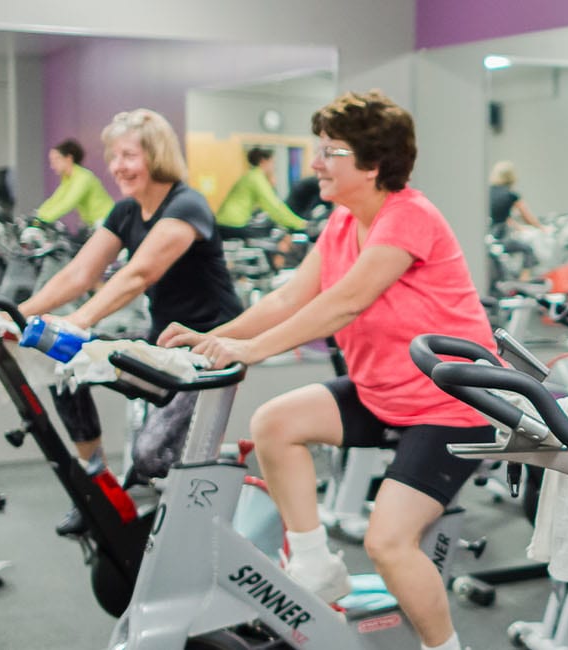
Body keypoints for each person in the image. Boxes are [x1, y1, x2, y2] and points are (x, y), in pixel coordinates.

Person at [160, 90, 493, 650]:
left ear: (374, 163)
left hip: (451, 403)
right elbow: (289, 298)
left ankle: (445, 648)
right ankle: (316, 564)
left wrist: (253, 351)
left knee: (389, 543)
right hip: (382, 391)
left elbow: (346, 303)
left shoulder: (409, 216)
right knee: (274, 423)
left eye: (331, 151)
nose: (315, 163)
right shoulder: (342, 222)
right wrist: (213, 339)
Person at [11, 108, 245, 535]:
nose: (118, 166)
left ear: (156, 156)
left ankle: (222, 479)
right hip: (162, 344)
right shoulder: (125, 211)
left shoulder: (186, 205)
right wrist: (17, 313)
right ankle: (97, 481)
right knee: (66, 364)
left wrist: (78, 320)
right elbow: (78, 274)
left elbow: (140, 273)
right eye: (114, 156)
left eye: (129, 156)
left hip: (208, 349)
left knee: (151, 458)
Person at [216, 148, 307, 267]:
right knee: (269, 241)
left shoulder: (250, 175)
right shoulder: (256, 178)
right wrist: (299, 223)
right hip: (232, 224)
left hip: (225, 222)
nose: (273, 166)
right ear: (263, 161)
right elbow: (274, 207)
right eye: (272, 162)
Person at [35, 138, 116, 231]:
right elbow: (56, 199)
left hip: (106, 220)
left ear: (69, 158)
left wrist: (44, 220)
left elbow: (68, 202)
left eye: (56, 159)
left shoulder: (83, 177)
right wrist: (38, 215)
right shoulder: (68, 178)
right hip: (92, 224)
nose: (52, 165)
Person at [487, 160, 544, 282]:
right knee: (527, 249)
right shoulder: (511, 195)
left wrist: (518, 227)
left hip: (488, 236)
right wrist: (541, 228)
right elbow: (528, 217)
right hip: (500, 236)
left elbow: (501, 216)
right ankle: (524, 281)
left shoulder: (487, 192)